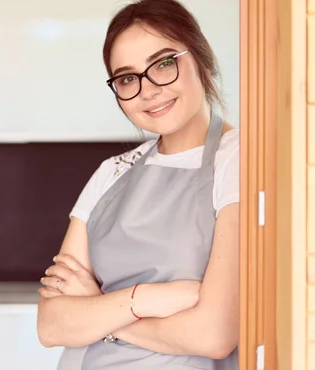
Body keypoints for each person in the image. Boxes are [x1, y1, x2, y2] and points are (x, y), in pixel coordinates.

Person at [36, 0, 239, 369]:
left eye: (163, 63)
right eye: (128, 78)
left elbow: (214, 335)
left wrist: (100, 307)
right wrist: (142, 300)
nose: (148, 91)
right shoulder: (111, 173)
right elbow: (51, 325)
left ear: (200, 57)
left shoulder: (239, 159)